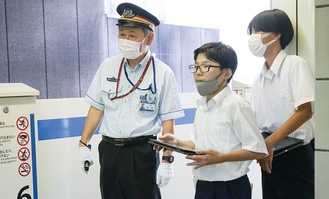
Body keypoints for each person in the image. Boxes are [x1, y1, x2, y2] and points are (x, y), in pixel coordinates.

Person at [78, 2, 184, 199]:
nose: (126, 40)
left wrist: (168, 161)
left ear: (149, 37)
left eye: (132, 35)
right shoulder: (107, 67)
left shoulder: (162, 73)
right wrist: (83, 144)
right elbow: (96, 108)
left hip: (142, 153)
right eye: (122, 34)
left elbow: (168, 120)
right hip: (109, 152)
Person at [158, 42, 268, 199]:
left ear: (226, 73)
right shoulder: (202, 105)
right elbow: (198, 146)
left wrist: (222, 158)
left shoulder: (237, 105)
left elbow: (258, 150)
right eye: (195, 67)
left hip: (230, 187)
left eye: (205, 66)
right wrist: (176, 142)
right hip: (204, 186)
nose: (198, 73)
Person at [247, 9, 315, 199]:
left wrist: (270, 142)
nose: (253, 37)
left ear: (276, 34)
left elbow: (305, 111)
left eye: (258, 32)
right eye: (251, 32)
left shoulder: (295, 64)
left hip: (295, 153)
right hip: (269, 152)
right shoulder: (258, 78)